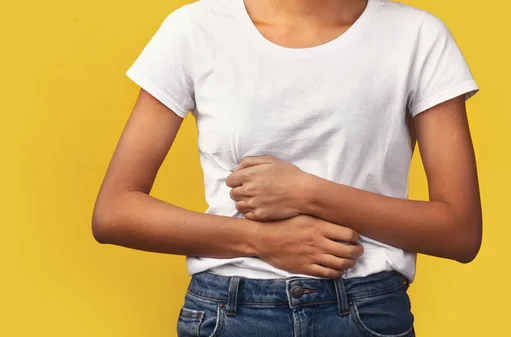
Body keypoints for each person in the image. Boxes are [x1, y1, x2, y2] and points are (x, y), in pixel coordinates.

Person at [92, 0, 482, 335]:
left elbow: (459, 232)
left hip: (367, 311)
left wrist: (307, 192)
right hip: (229, 314)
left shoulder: (416, 36)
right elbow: (115, 211)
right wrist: (257, 240)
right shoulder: (195, 29)